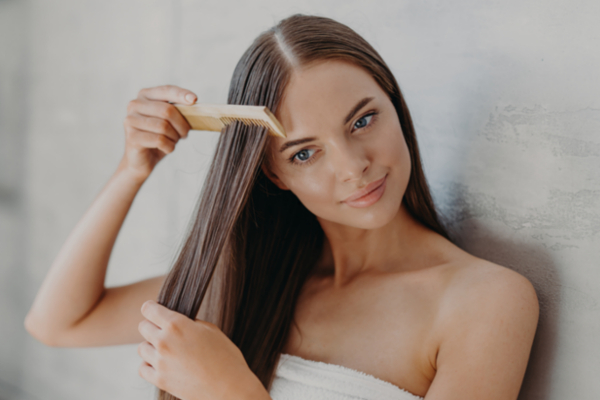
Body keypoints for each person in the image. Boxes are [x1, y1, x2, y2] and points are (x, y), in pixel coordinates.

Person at [24, 13, 539, 400]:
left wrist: (234, 392)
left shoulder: (485, 302)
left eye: (362, 121)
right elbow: (60, 322)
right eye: (305, 152)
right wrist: (132, 169)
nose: (353, 166)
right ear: (274, 173)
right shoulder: (250, 276)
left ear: (394, 104)